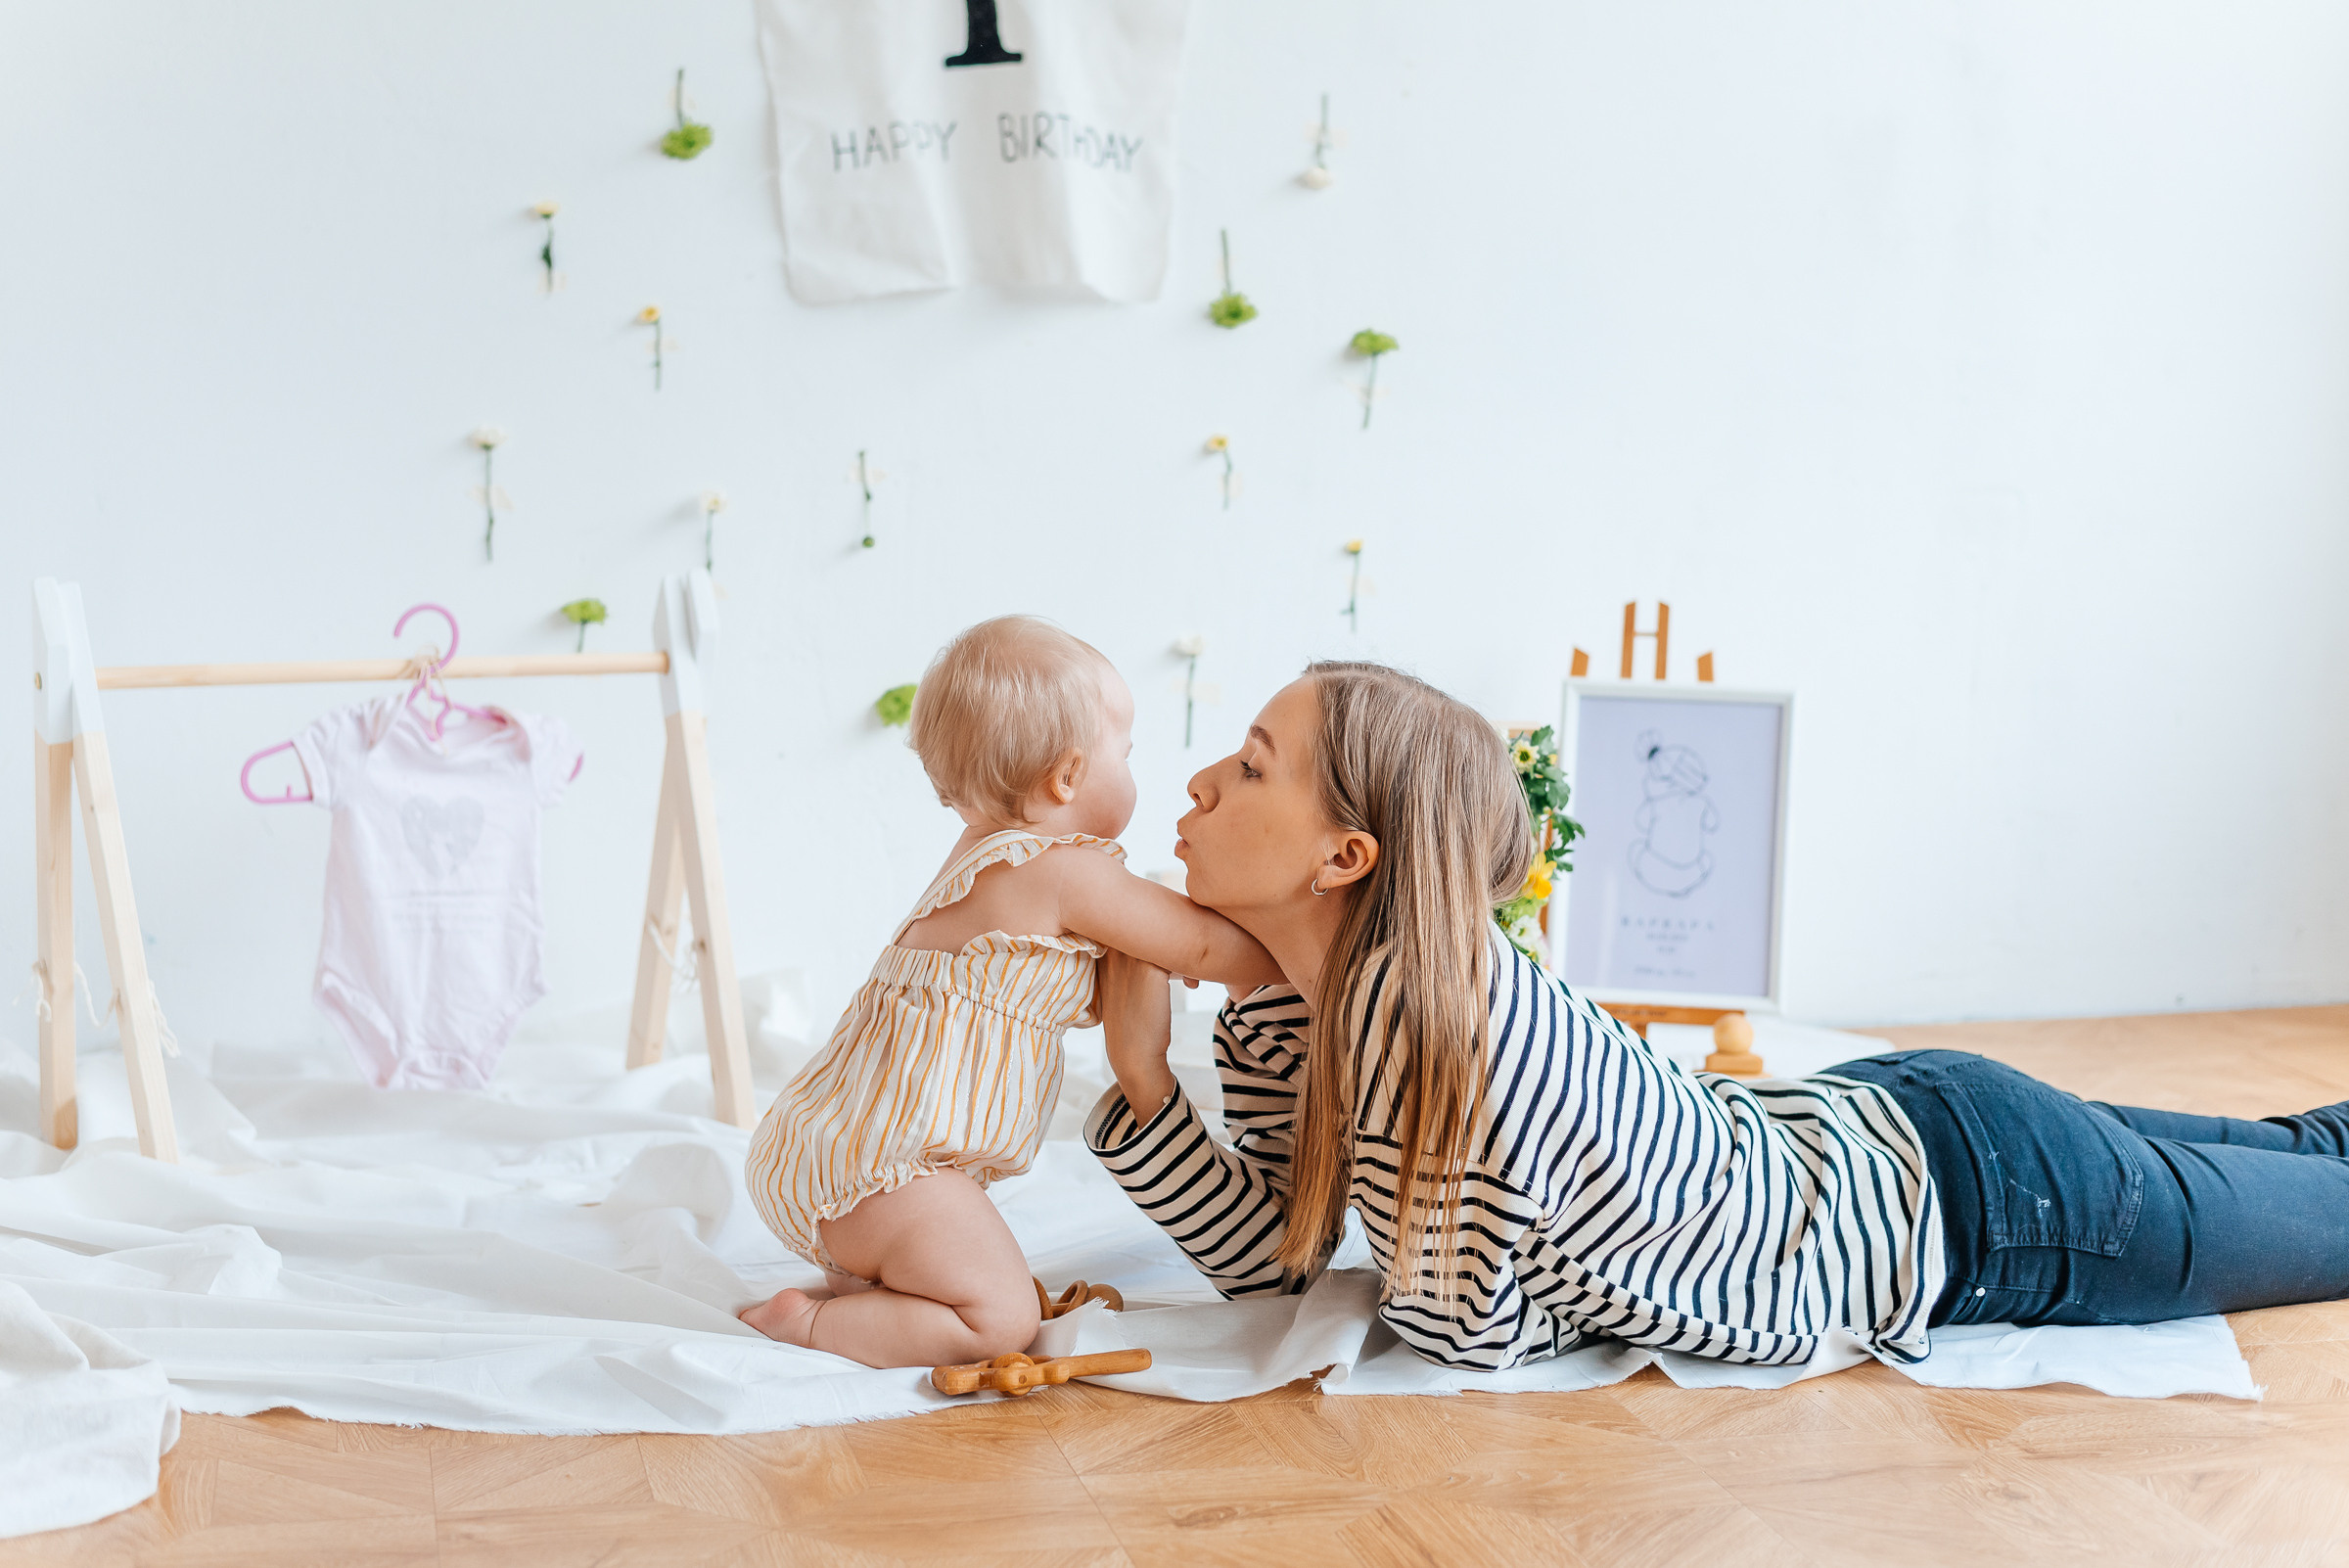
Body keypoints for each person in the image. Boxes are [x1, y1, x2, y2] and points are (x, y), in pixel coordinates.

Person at [1086, 660, 2349, 1369]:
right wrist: (1149, 1076)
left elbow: (1465, 1331)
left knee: (2333, 1204)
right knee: (2309, 1154)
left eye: (1252, 766)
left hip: (1988, 1205)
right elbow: (1284, 1257)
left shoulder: (1447, 1031)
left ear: (1343, 859)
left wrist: (1229, 976)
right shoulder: (1323, 1008)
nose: (1198, 780)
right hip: (1895, 1119)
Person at [738, 617, 1282, 1367]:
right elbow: (1207, 946)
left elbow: (1105, 963)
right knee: (999, 1320)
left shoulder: (983, 856)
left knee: (950, 1269)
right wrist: (1306, 949)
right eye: (1127, 754)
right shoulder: (1065, 871)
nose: (1136, 772)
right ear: (1067, 777)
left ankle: (873, 1297)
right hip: (893, 1170)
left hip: (831, 1144)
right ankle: (804, 1325)